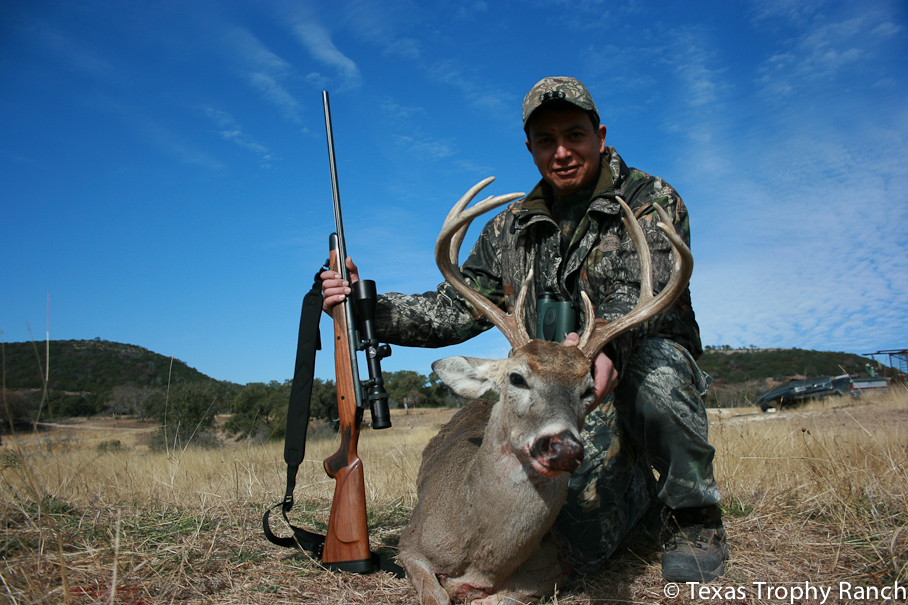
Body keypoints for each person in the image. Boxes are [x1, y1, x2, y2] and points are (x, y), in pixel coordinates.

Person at [321, 76, 728, 583]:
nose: (562, 152)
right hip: (550, 397)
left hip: (622, 374)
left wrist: (607, 350)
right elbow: (454, 309)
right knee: (574, 535)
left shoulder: (648, 199)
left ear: (600, 136)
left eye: (574, 135)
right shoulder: (508, 228)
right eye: (546, 140)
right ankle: (637, 493)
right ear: (531, 148)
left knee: (658, 371)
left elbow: (638, 299)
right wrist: (364, 307)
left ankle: (694, 517)